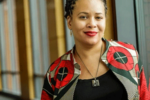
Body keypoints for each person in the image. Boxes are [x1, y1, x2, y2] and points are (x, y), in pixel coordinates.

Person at [41, 0, 150, 100]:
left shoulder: (129, 54)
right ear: (69, 22)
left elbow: (144, 96)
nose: (92, 24)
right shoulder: (55, 72)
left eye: (98, 17)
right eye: (83, 17)